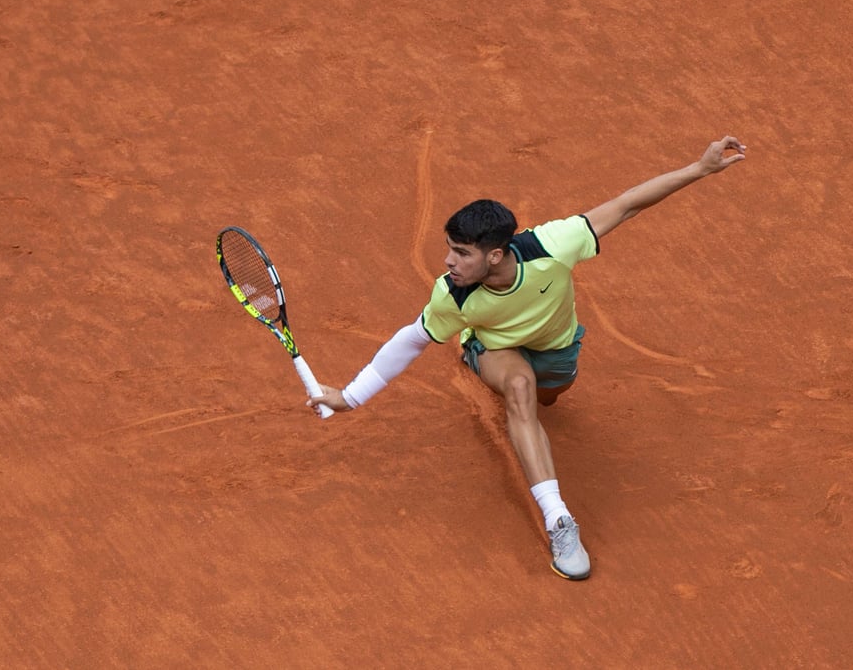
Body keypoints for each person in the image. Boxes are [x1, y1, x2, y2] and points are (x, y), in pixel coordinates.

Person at [308, 136, 747, 580]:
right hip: (498, 348)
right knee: (520, 390)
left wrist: (700, 168)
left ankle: (535, 385)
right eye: (450, 249)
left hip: (558, 349)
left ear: (495, 255)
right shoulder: (453, 294)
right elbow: (412, 339)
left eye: (461, 253)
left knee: (550, 396)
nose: (447, 261)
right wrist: (350, 396)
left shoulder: (553, 245)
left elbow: (628, 204)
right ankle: (559, 519)